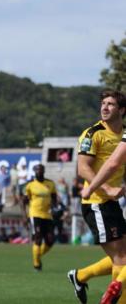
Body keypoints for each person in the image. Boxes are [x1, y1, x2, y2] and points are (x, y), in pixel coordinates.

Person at [67, 90, 126, 304]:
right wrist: (107, 189)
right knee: (122, 257)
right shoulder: (93, 133)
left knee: (121, 256)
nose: (105, 107)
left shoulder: (123, 135)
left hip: (111, 203)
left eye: (110, 104)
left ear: (122, 110)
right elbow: (83, 169)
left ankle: (80, 276)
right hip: (96, 203)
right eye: (103, 103)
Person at [22, 164, 57, 271]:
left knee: (50, 240)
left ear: (44, 171)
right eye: (37, 170)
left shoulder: (50, 184)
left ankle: (37, 255)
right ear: (34, 172)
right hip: (34, 214)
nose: (39, 172)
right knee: (37, 238)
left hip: (47, 215)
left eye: (41, 170)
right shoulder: (30, 185)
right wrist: (25, 216)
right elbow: (23, 202)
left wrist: (53, 207)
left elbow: (54, 198)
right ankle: (37, 264)